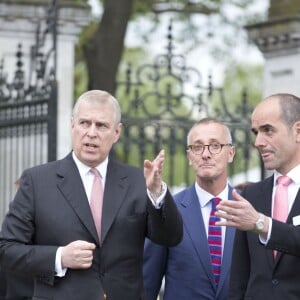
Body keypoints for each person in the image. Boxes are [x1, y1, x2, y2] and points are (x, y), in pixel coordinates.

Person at [0, 89, 183, 300]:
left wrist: (156, 192)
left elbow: (171, 237)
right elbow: (7, 249)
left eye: (101, 125)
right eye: (84, 123)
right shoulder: (37, 181)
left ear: (116, 132)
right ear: (72, 125)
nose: (91, 133)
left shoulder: (137, 180)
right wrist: (60, 257)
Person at [216, 93, 300, 300]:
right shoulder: (251, 195)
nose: (258, 142)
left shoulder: (251, 212)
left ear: (298, 131)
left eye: (268, 130)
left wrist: (261, 223)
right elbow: (240, 277)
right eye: (256, 132)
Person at [143, 118, 236, 300]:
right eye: (197, 147)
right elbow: (147, 283)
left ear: (231, 153)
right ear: (189, 157)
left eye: (215, 146)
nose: (206, 154)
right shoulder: (168, 211)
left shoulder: (249, 207)